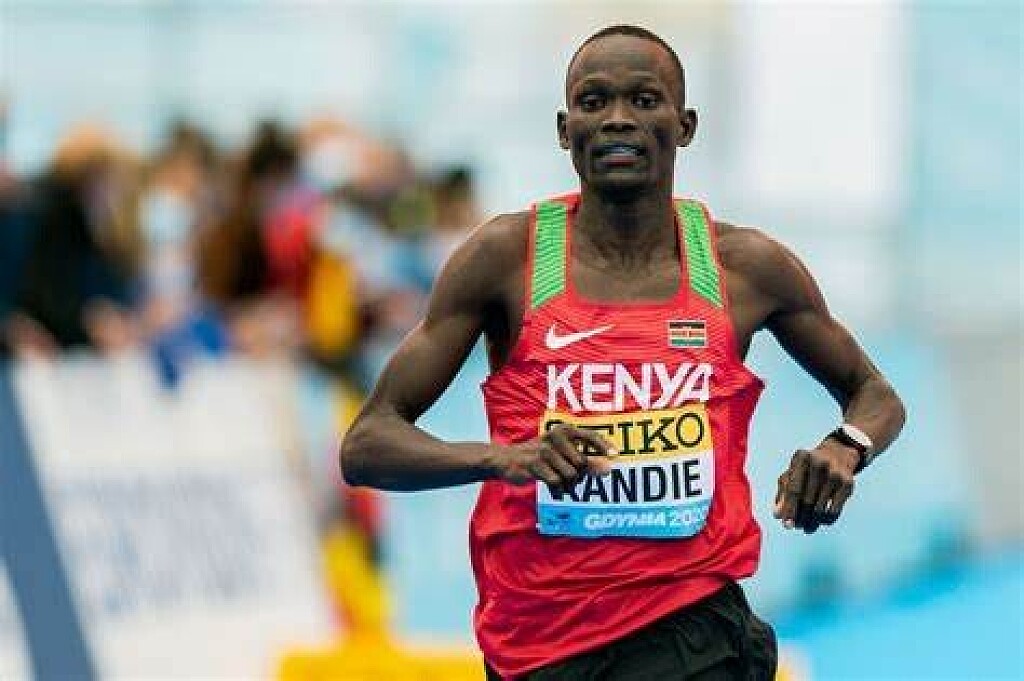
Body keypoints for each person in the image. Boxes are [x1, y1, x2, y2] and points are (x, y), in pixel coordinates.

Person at [340, 24, 906, 680]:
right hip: (536, 640)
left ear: (685, 126)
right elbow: (368, 443)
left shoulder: (746, 268)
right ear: (565, 130)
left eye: (643, 99)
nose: (616, 119)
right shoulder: (505, 259)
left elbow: (876, 396)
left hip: (695, 628)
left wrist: (844, 447)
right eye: (593, 101)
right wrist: (504, 458)